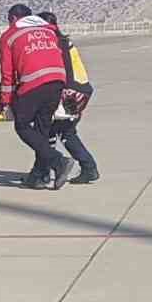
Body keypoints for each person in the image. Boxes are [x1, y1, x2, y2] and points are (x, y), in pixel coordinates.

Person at [0, 3, 73, 189]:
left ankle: (58, 161)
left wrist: (6, 101)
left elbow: (7, 73)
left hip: (34, 82)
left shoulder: (9, 36)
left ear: (13, 18)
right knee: (42, 130)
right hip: (57, 81)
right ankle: (39, 175)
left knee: (22, 125)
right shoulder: (49, 30)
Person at [30, 10, 98, 186]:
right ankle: (87, 167)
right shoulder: (64, 41)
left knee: (49, 131)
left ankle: (43, 172)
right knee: (64, 131)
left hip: (69, 92)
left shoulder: (54, 43)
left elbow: (62, 70)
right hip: (80, 90)